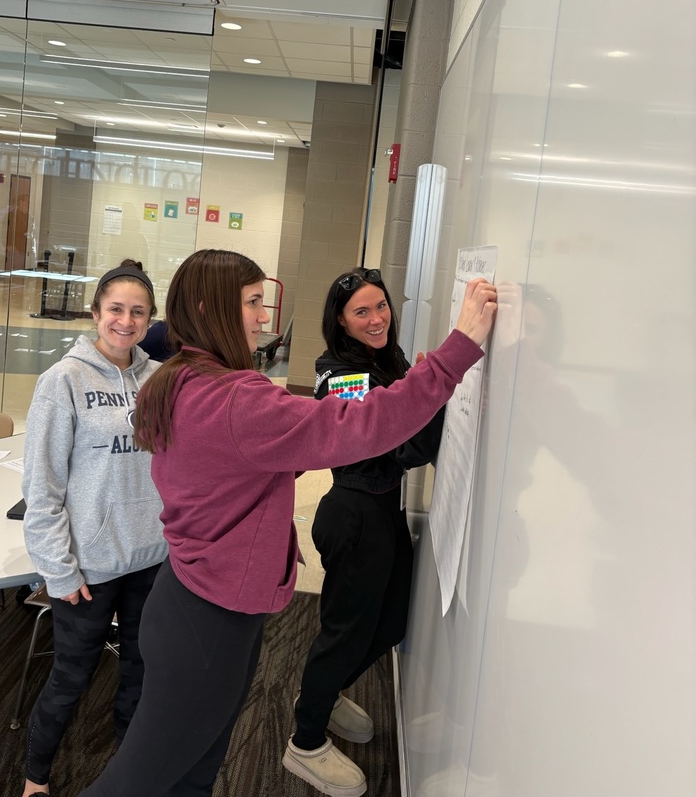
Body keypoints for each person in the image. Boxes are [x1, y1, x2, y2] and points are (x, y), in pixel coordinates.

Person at [78, 249, 496, 797]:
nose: (262, 317)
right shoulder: (233, 397)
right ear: (212, 308)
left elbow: (249, 462)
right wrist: (457, 349)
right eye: (252, 303)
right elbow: (362, 426)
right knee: (140, 778)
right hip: (208, 619)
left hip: (196, 602)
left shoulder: (184, 376)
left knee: (194, 769)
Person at [289, 267, 446, 790]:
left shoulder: (385, 357)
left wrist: (423, 389)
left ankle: (323, 692)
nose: (377, 318)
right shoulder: (344, 375)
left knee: (393, 622)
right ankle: (305, 741)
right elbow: (400, 448)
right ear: (340, 320)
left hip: (384, 511)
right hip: (354, 514)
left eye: (381, 307)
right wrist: (437, 397)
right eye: (362, 311)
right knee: (345, 632)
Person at [20, 259, 168, 797]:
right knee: (71, 678)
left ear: (151, 318)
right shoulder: (63, 380)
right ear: (96, 313)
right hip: (88, 567)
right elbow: (42, 488)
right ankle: (36, 777)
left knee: (141, 672)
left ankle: (129, 771)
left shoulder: (159, 379)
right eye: (115, 310)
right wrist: (58, 570)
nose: (126, 321)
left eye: (138, 312)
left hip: (151, 560)